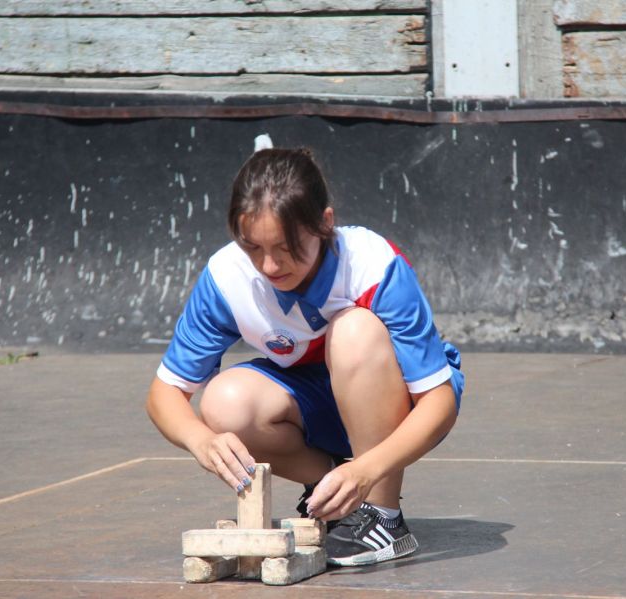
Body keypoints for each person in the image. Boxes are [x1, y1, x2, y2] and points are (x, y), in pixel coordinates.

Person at [146, 146, 464, 567]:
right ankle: (331, 489)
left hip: (399, 403)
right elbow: (163, 393)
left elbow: (438, 401)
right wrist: (200, 440)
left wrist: (367, 470)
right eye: (253, 247)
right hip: (317, 403)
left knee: (354, 330)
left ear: (324, 223)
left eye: (285, 246)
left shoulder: (372, 264)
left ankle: (382, 517)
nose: (270, 265)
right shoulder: (226, 277)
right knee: (222, 403)